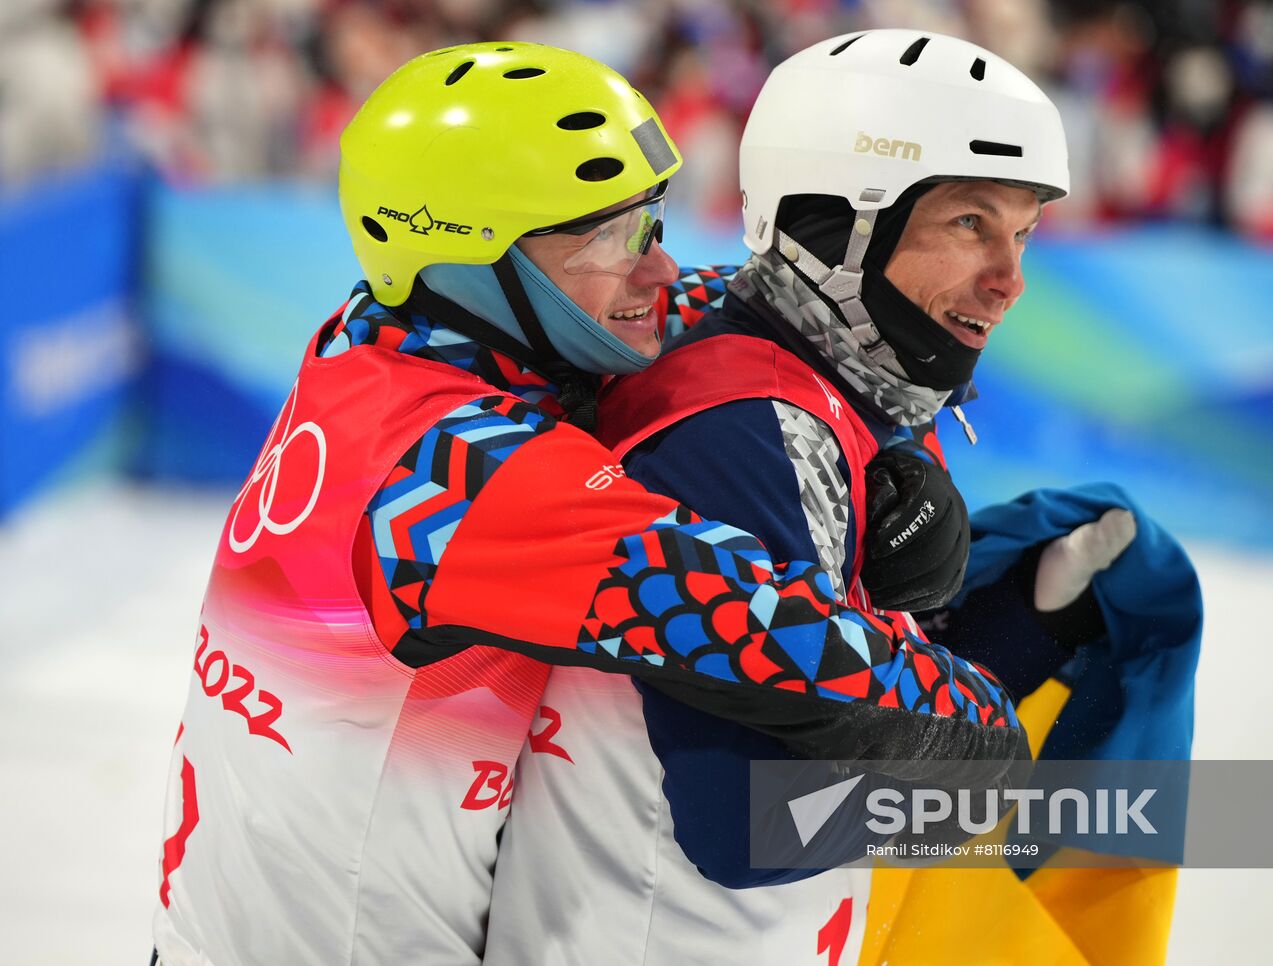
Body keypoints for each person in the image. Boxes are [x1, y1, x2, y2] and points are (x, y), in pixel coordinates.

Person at [151, 42, 1024, 966]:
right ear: (474, 260)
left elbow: (704, 305)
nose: (656, 268)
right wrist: (991, 741)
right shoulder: (460, 484)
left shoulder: (381, 347)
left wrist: (879, 438)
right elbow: (760, 630)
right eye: (603, 238)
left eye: (647, 221)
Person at [486, 30, 1199, 966]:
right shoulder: (744, 427)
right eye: (969, 224)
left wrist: (1024, 626)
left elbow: (810, 693)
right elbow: (753, 824)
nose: (1011, 280)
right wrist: (993, 767)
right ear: (837, 227)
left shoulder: (798, 374)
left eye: (1022, 233)